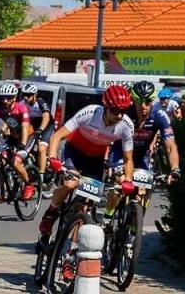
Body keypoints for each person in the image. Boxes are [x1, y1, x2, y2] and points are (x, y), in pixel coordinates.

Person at [43, 83, 136, 217]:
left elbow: (128, 159)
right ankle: (50, 213)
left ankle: (78, 231)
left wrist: (128, 179)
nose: (119, 116)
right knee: (70, 184)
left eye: (123, 111)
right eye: (115, 111)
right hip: (74, 152)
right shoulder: (89, 113)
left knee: (87, 204)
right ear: (105, 107)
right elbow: (58, 135)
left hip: (95, 159)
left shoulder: (127, 126)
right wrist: (52, 157)